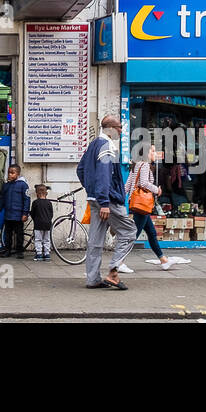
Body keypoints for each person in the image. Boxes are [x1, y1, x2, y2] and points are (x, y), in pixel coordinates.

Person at [79, 115, 134, 289]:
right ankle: (113, 271)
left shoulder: (94, 144)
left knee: (95, 240)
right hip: (107, 201)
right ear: (110, 128)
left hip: (95, 198)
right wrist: (104, 201)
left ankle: (93, 279)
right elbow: (104, 174)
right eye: (119, 127)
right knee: (129, 231)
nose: (121, 130)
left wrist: (91, 191)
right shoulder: (107, 146)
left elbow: (80, 169)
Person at [116, 145, 180, 273]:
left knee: (151, 233)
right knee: (133, 235)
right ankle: (119, 262)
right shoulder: (144, 165)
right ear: (146, 153)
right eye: (152, 151)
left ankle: (164, 261)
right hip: (142, 205)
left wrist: (121, 199)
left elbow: (128, 184)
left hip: (137, 204)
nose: (154, 153)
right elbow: (143, 183)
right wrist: (157, 190)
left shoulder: (136, 165)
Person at [0, 164, 29, 258]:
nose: (10, 175)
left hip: (18, 215)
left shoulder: (23, 185)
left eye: (12, 173)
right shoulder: (6, 185)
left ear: (18, 174)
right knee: (8, 234)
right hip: (8, 215)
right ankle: (7, 250)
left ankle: (20, 251)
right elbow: (2, 199)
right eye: (9, 173)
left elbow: (26, 199)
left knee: (19, 234)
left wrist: (25, 213)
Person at [30, 184, 53, 262]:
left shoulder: (35, 203)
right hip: (47, 224)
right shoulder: (49, 203)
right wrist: (48, 220)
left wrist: (35, 219)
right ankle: (47, 254)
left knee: (38, 239)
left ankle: (39, 254)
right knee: (47, 239)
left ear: (36, 194)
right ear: (46, 193)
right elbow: (51, 214)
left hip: (38, 224)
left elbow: (32, 213)